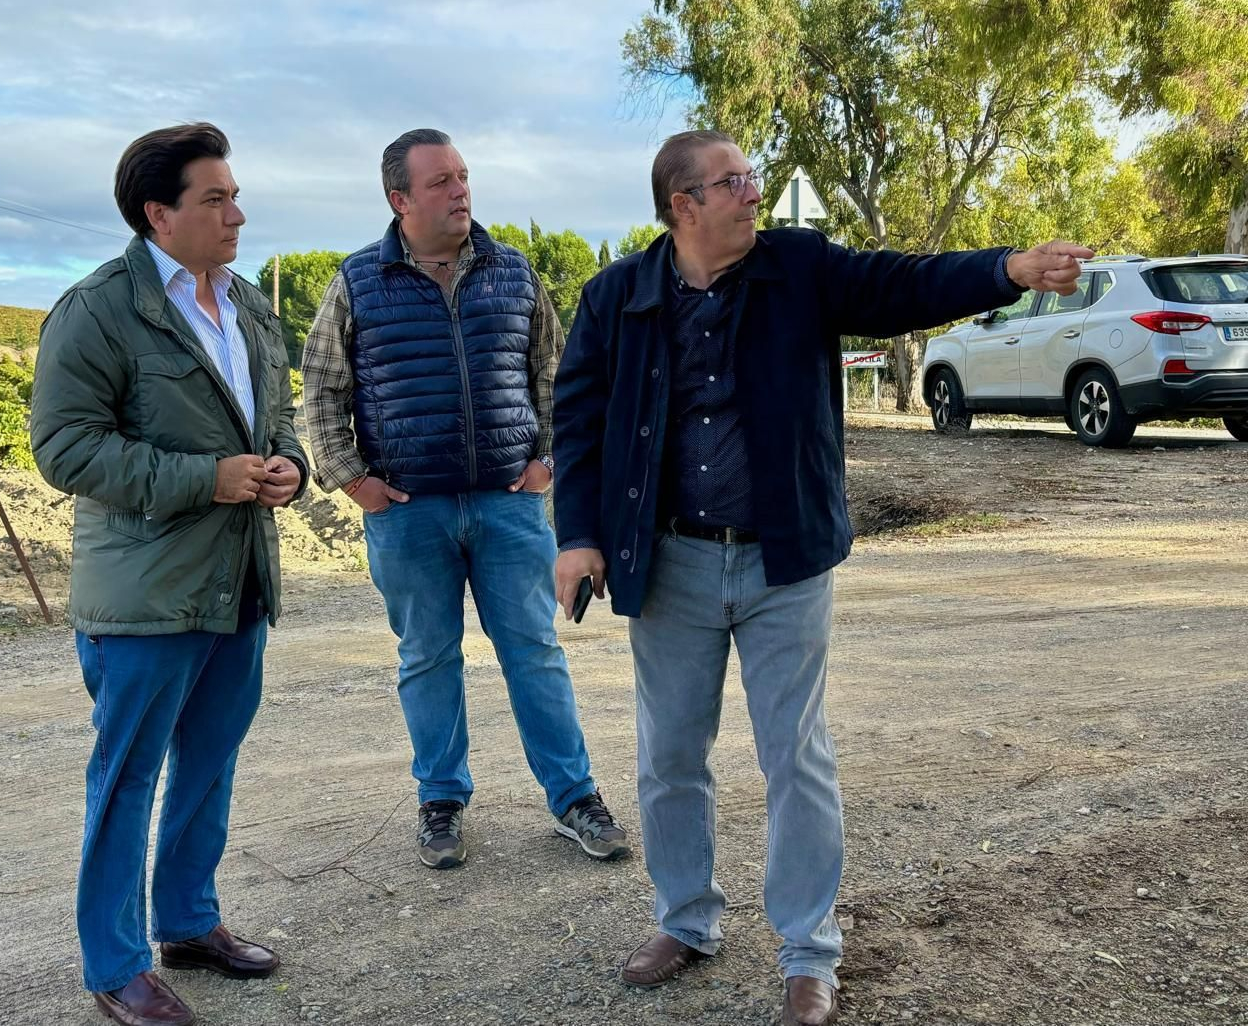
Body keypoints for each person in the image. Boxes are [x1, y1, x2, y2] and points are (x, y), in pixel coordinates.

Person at [551, 129, 1090, 1026]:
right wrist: (577, 535)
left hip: (783, 558)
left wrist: (1011, 268)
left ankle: (809, 953)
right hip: (671, 560)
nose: (753, 193)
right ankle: (685, 919)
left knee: (795, 757)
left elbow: (904, 284)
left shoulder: (798, 267)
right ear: (683, 206)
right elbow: (576, 421)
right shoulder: (616, 297)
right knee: (670, 757)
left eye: (752, 177)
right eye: (734, 182)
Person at [31, 122, 307, 1026]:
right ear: (159, 214)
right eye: (215, 198)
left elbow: (280, 420)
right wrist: (208, 479)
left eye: (234, 194)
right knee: (126, 778)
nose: (237, 212)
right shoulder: (97, 309)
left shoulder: (249, 306)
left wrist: (287, 469)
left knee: (209, 765)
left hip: (239, 583)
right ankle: (115, 964)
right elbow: (64, 446)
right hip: (146, 596)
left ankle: (188, 921)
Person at [301, 127, 627, 870]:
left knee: (535, 652)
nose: (460, 191)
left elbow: (558, 379)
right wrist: (353, 479)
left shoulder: (514, 273)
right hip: (408, 513)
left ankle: (574, 797)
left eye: (464, 176)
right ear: (400, 200)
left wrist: (548, 461)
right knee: (428, 658)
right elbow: (319, 389)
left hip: (510, 506)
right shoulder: (356, 282)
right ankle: (440, 801)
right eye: (441, 181)